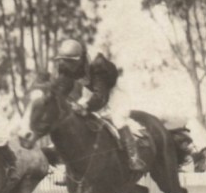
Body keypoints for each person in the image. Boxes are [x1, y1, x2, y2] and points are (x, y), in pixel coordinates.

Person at [52, 39, 147, 174]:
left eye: (71, 62)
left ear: (80, 59)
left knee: (118, 119)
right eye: (65, 61)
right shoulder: (66, 66)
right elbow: (63, 87)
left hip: (112, 90)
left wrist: (84, 105)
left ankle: (133, 157)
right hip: (91, 90)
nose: (67, 65)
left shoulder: (98, 66)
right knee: (75, 118)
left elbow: (101, 97)